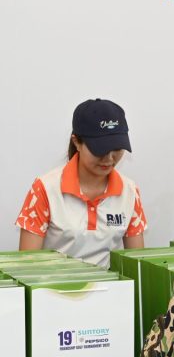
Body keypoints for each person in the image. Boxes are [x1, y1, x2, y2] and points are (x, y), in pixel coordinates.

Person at [16, 98, 146, 267]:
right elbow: (27, 265)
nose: (109, 158)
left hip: (111, 283)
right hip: (54, 283)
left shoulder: (129, 191)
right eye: (100, 149)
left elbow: (137, 264)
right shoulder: (45, 188)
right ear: (76, 142)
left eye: (117, 148)